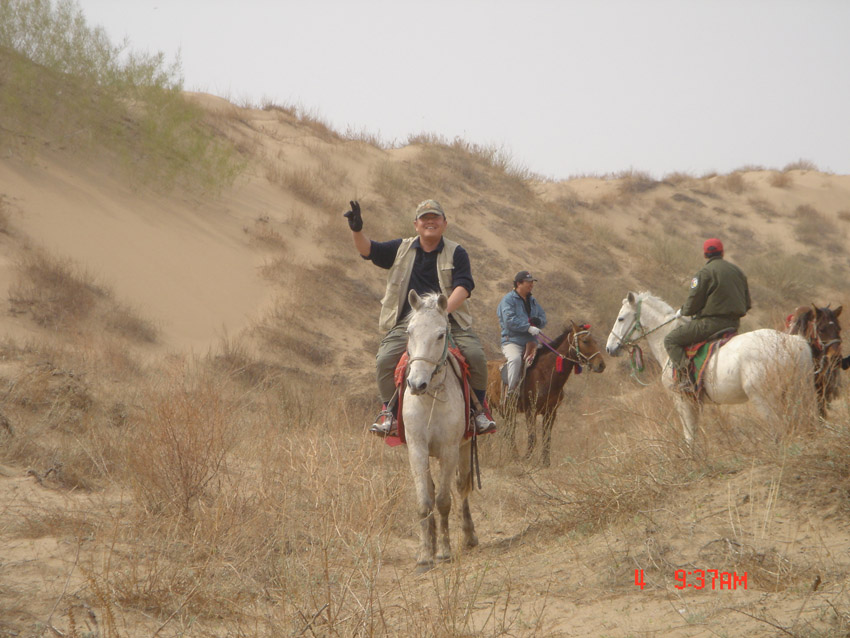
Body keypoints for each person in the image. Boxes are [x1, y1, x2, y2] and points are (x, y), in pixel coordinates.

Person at [344, 199, 496, 436]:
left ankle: (479, 412)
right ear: (416, 224)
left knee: (476, 355)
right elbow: (368, 250)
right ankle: (389, 414)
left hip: (449, 320)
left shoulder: (457, 252)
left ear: (444, 223)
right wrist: (356, 230)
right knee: (384, 359)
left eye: (435, 218)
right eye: (424, 218)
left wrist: (441, 313)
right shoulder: (400, 248)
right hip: (410, 323)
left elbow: (464, 287)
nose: (430, 222)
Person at [664, 238, 751, 390]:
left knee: (671, 339)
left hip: (709, 325)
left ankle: (686, 379)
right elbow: (748, 304)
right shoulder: (738, 272)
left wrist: (682, 311)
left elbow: (692, 304)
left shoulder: (704, 273)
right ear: (722, 253)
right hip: (733, 324)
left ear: (705, 255)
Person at [497, 271, 548, 394]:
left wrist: (539, 321)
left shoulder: (533, 301)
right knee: (515, 359)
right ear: (519, 283)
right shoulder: (508, 300)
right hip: (513, 341)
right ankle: (511, 391)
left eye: (532, 282)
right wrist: (528, 327)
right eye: (528, 282)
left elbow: (543, 317)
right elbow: (509, 320)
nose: (531, 285)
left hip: (532, 342)